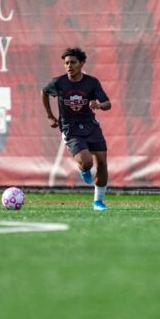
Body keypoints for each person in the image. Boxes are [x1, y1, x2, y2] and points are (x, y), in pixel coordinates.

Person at [42, 47, 112, 211]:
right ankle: (84, 169)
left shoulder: (91, 82)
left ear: (82, 64)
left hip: (91, 127)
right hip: (71, 129)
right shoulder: (58, 83)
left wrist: (99, 105)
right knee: (87, 163)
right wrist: (50, 116)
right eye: (66, 63)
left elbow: (108, 104)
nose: (69, 66)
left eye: (73, 62)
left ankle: (98, 202)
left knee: (102, 163)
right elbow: (44, 92)